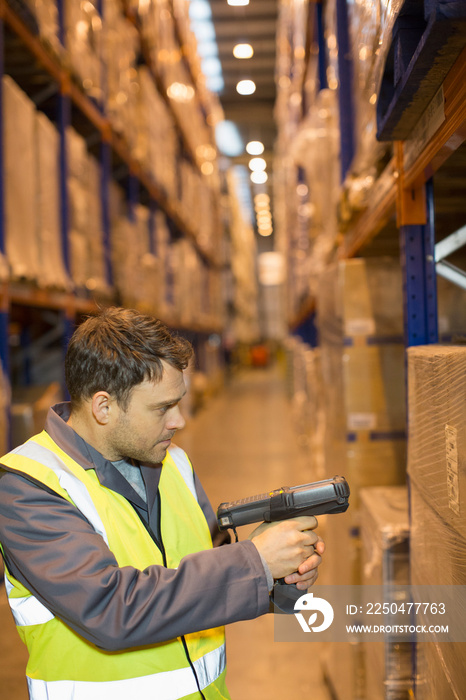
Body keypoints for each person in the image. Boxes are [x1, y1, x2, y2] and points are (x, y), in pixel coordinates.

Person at [0, 307, 324, 700]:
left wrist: (278, 579)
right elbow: (111, 609)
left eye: (179, 402)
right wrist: (255, 561)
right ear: (103, 408)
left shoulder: (174, 463)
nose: (179, 421)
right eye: (162, 408)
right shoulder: (27, 487)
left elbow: (206, 569)